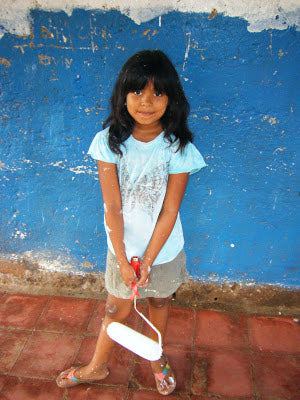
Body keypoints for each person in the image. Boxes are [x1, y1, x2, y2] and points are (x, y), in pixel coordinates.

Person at [56, 49, 206, 395]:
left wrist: (149, 260)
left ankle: (156, 358)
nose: (147, 101)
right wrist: (124, 261)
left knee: (159, 303)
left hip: (164, 250)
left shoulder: (178, 148)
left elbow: (170, 210)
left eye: (158, 92)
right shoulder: (108, 143)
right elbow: (112, 206)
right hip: (121, 248)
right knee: (116, 308)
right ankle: (97, 366)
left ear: (172, 99)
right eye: (137, 91)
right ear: (123, 96)